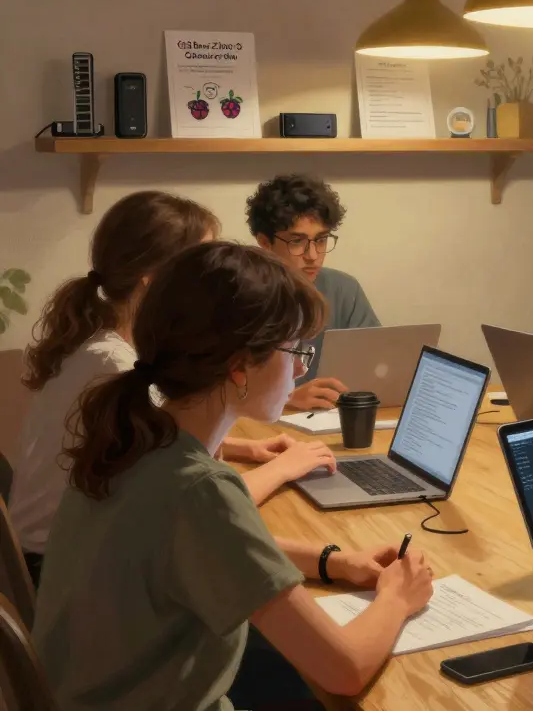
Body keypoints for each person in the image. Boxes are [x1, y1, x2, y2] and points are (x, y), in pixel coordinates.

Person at [33, 241, 435, 710]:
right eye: (295, 350)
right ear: (239, 367)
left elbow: (199, 547)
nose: (302, 367)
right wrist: (398, 598)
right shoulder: (198, 488)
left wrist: (332, 561)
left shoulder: (134, 436)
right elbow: (344, 669)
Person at [12, 191, 335, 588]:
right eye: (202, 267)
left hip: (64, 558)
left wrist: (243, 448)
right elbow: (200, 505)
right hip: (59, 572)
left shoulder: (104, 344)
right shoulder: (119, 368)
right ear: (161, 283)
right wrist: (284, 468)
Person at [247, 173, 379, 410]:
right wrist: (286, 399)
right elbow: (218, 393)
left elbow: (377, 365)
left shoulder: (344, 289)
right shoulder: (240, 294)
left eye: (321, 240)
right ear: (265, 243)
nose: (313, 255)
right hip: (262, 428)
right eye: (297, 241)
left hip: (333, 420)